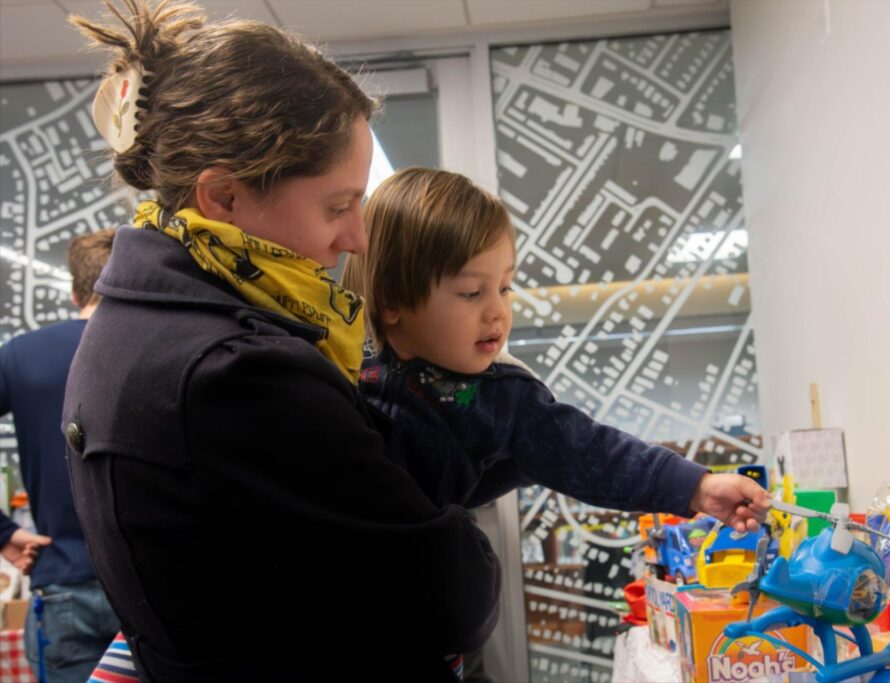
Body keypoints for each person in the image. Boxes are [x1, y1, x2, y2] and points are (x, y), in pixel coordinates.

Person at [63, 2, 499, 681]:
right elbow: (454, 595)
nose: (357, 238)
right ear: (224, 198)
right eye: (338, 205)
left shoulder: (134, 318)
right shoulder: (236, 371)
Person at [343, 167, 772, 528]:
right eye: (472, 292)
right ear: (393, 300)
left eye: (505, 288)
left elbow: (591, 452)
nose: (497, 312)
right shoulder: (339, 364)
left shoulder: (505, 397)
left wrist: (697, 487)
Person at [0, 229, 121, 683]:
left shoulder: (21, 355)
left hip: (64, 582)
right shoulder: (161, 348)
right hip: (152, 586)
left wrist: (3, 534)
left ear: (75, 292)